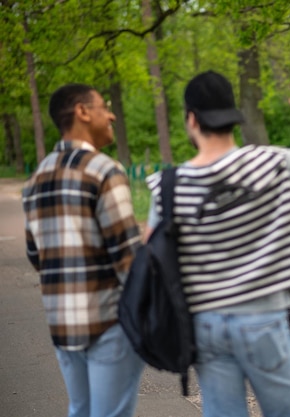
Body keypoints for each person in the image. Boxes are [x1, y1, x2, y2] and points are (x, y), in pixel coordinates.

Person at [143, 70, 290, 417]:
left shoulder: (169, 185)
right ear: (232, 116)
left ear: (191, 119)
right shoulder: (271, 163)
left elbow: (151, 259)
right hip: (263, 318)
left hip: (206, 324)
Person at [22, 84, 145, 416]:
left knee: (81, 409)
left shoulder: (36, 179)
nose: (112, 114)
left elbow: (37, 256)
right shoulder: (104, 170)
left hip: (62, 323)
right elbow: (129, 260)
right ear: (82, 111)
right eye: (104, 106)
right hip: (109, 323)